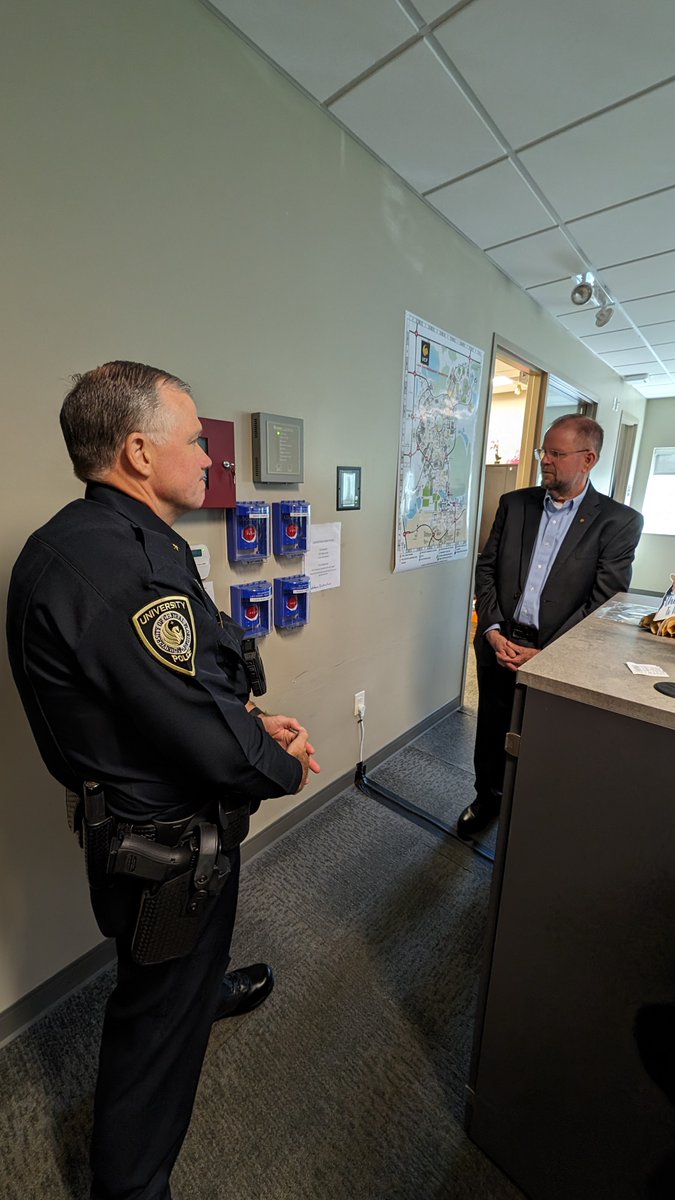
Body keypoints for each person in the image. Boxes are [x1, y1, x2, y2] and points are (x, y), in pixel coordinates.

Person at [6, 360, 320, 1200]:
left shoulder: (94, 542)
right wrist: (275, 762)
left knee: (177, 974)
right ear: (140, 452)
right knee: (152, 1029)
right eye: (196, 441)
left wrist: (249, 720)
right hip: (167, 843)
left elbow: (172, 691)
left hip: (153, 820)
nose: (212, 459)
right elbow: (196, 732)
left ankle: (202, 988)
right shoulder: (125, 570)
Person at [458, 413, 643, 838]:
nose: (546, 461)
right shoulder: (515, 504)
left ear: (588, 458)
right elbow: (486, 569)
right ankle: (487, 799)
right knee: (491, 730)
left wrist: (549, 653)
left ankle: (532, 816)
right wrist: (491, 629)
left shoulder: (618, 522)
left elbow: (605, 602)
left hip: (556, 653)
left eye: (557, 454)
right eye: (545, 451)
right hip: (499, 641)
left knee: (545, 739)